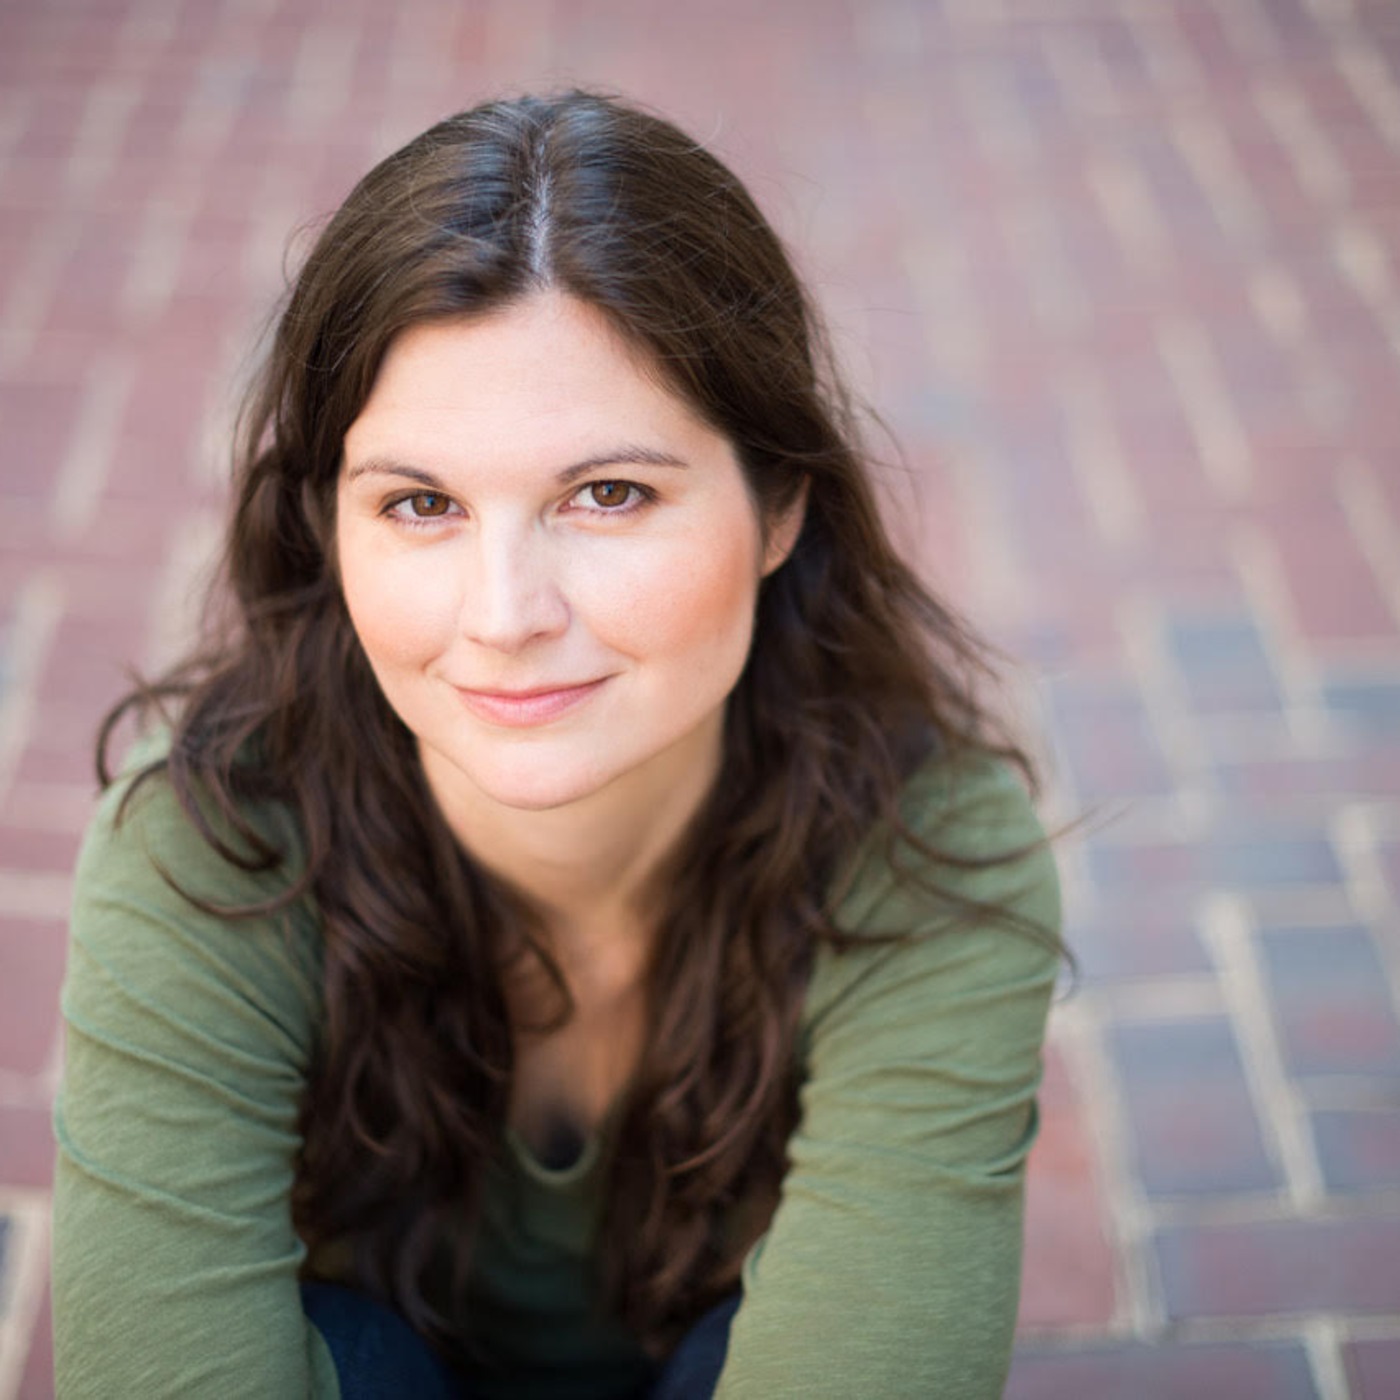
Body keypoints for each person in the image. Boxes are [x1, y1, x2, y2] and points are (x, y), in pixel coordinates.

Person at [51, 90, 1063, 1399]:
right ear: (330, 531)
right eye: (420, 503)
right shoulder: (209, 842)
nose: (504, 616)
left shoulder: (932, 862)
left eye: (609, 494)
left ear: (777, 510)